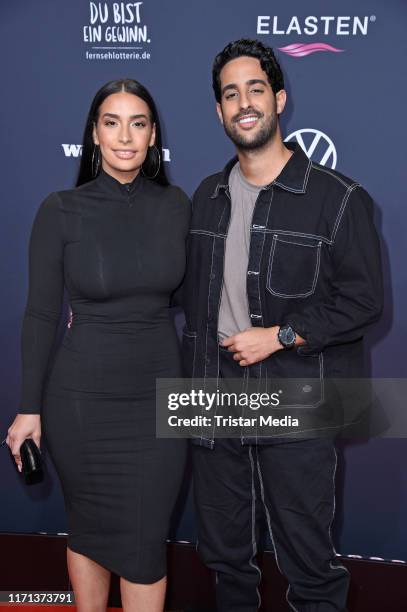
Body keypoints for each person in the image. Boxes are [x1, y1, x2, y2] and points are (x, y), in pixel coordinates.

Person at [181, 39, 383, 612]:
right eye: (230, 93)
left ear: (279, 99)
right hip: (212, 395)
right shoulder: (206, 197)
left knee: (309, 562)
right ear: (219, 112)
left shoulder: (339, 199)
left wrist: (281, 335)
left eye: (255, 89)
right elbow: (183, 292)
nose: (244, 102)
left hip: (297, 392)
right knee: (225, 557)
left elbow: (364, 302)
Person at [6, 78, 190, 612]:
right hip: (80, 402)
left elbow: (191, 296)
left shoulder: (178, 205)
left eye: (138, 123)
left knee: (145, 541)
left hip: (159, 398)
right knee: (87, 529)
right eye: (112, 123)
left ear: (154, 135)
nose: (125, 137)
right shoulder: (60, 209)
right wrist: (28, 409)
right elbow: (41, 313)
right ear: (94, 133)